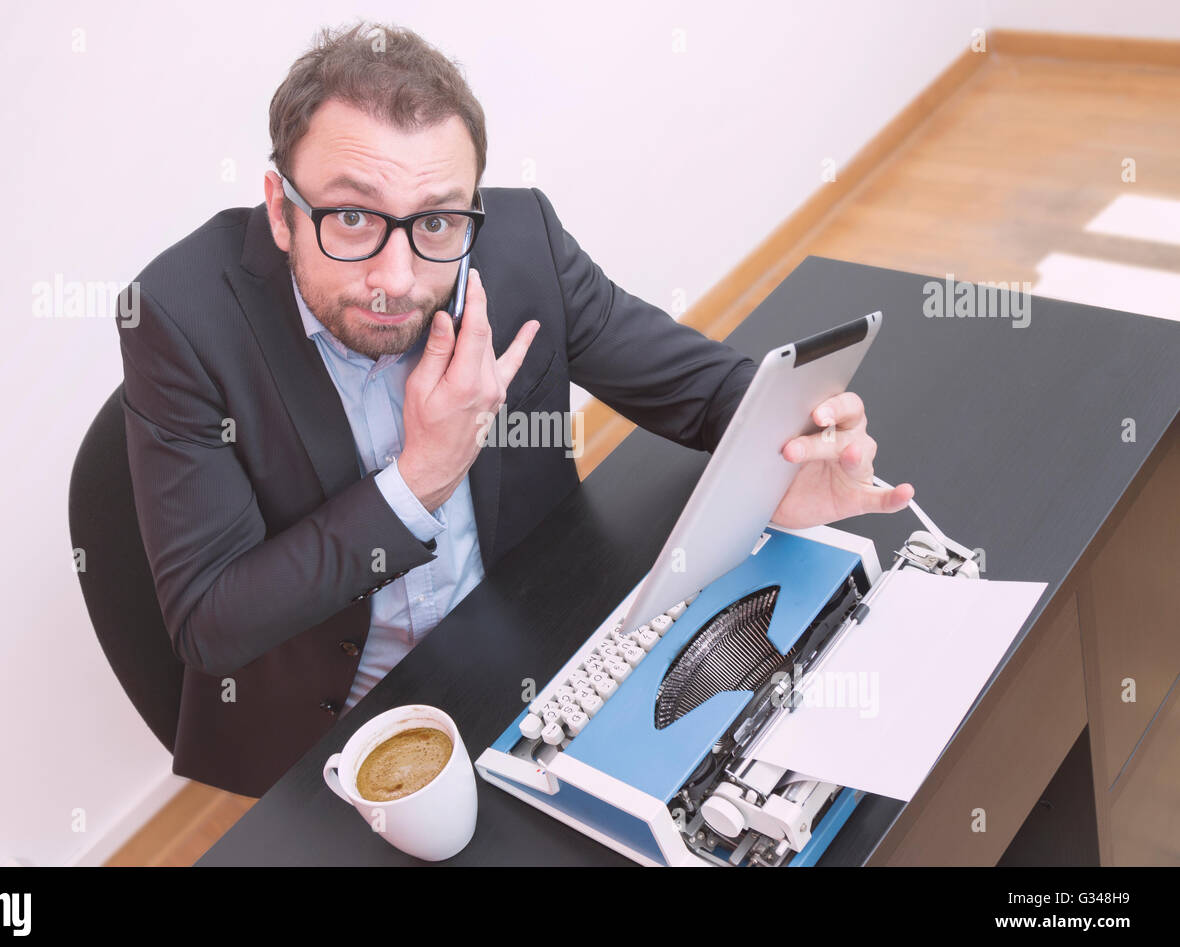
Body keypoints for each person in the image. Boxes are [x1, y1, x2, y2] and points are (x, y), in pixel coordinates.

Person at [117, 19, 913, 797]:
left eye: (435, 220)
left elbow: (700, 388)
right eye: (352, 217)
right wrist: (420, 478)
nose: (396, 276)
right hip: (338, 726)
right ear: (280, 210)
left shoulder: (517, 240)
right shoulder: (182, 319)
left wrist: (790, 445)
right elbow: (209, 619)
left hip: (532, 648)